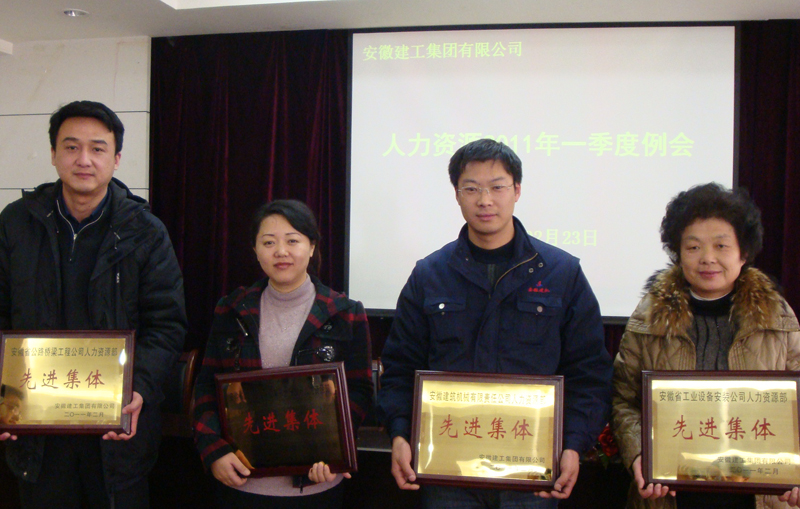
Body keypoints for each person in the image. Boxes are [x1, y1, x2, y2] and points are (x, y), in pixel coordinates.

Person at [377, 138, 613, 508]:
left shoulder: (561, 273)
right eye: (471, 189)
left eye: (497, 187)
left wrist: (572, 444)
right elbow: (400, 367)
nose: (485, 200)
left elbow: (589, 371)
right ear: (457, 195)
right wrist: (400, 433)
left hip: (532, 470)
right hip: (447, 469)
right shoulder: (430, 274)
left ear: (517, 190)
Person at [0, 100, 188, 508]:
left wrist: (139, 387)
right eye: (71, 147)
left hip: (116, 433)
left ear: (116, 159)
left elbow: (167, 324)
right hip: (37, 431)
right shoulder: (15, 223)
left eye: (98, 148)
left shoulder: (145, 231)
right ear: (54, 154)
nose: (84, 159)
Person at [612, 182, 800, 509]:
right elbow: (624, 400)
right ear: (678, 253)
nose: (707, 258)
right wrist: (639, 455)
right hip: (670, 497)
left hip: (758, 497)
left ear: (743, 252)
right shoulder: (649, 318)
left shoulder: (776, 317)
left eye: (721, 246)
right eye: (693, 247)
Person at [192, 199, 373, 509]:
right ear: (255, 249)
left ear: (312, 247)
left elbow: (359, 391)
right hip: (242, 483)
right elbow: (206, 386)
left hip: (316, 485)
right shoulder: (232, 309)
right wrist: (213, 450)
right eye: (268, 242)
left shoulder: (345, 313)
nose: (281, 251)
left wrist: (335, 450)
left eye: (292, 241)